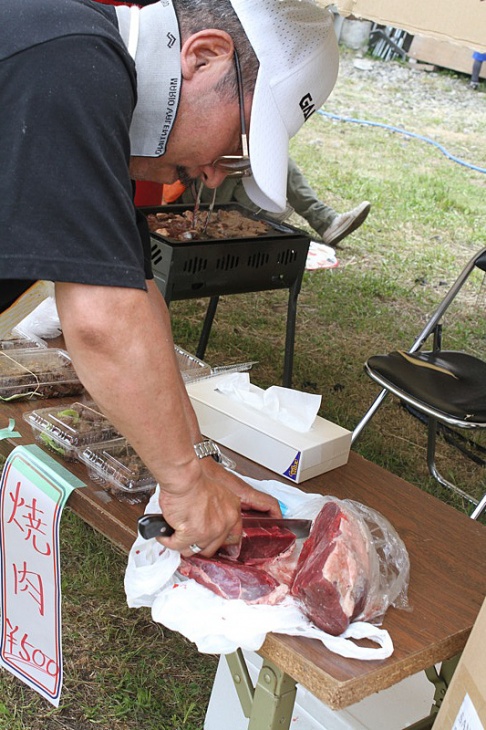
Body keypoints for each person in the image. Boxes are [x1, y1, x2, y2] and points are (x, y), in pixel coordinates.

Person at [0, 0, 338, 557]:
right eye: (235, 143)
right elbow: (102, 319)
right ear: (204, 57)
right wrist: (181, 482)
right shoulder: (71, 64)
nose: (210, 174)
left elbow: (136, 292)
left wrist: (200, 460)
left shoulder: (86, 59)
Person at [177, 158, 371, 246]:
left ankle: (326, 221)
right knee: (246, 155)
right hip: (186, 195)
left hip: (216, 189)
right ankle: (275, 219)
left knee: (273, 153)